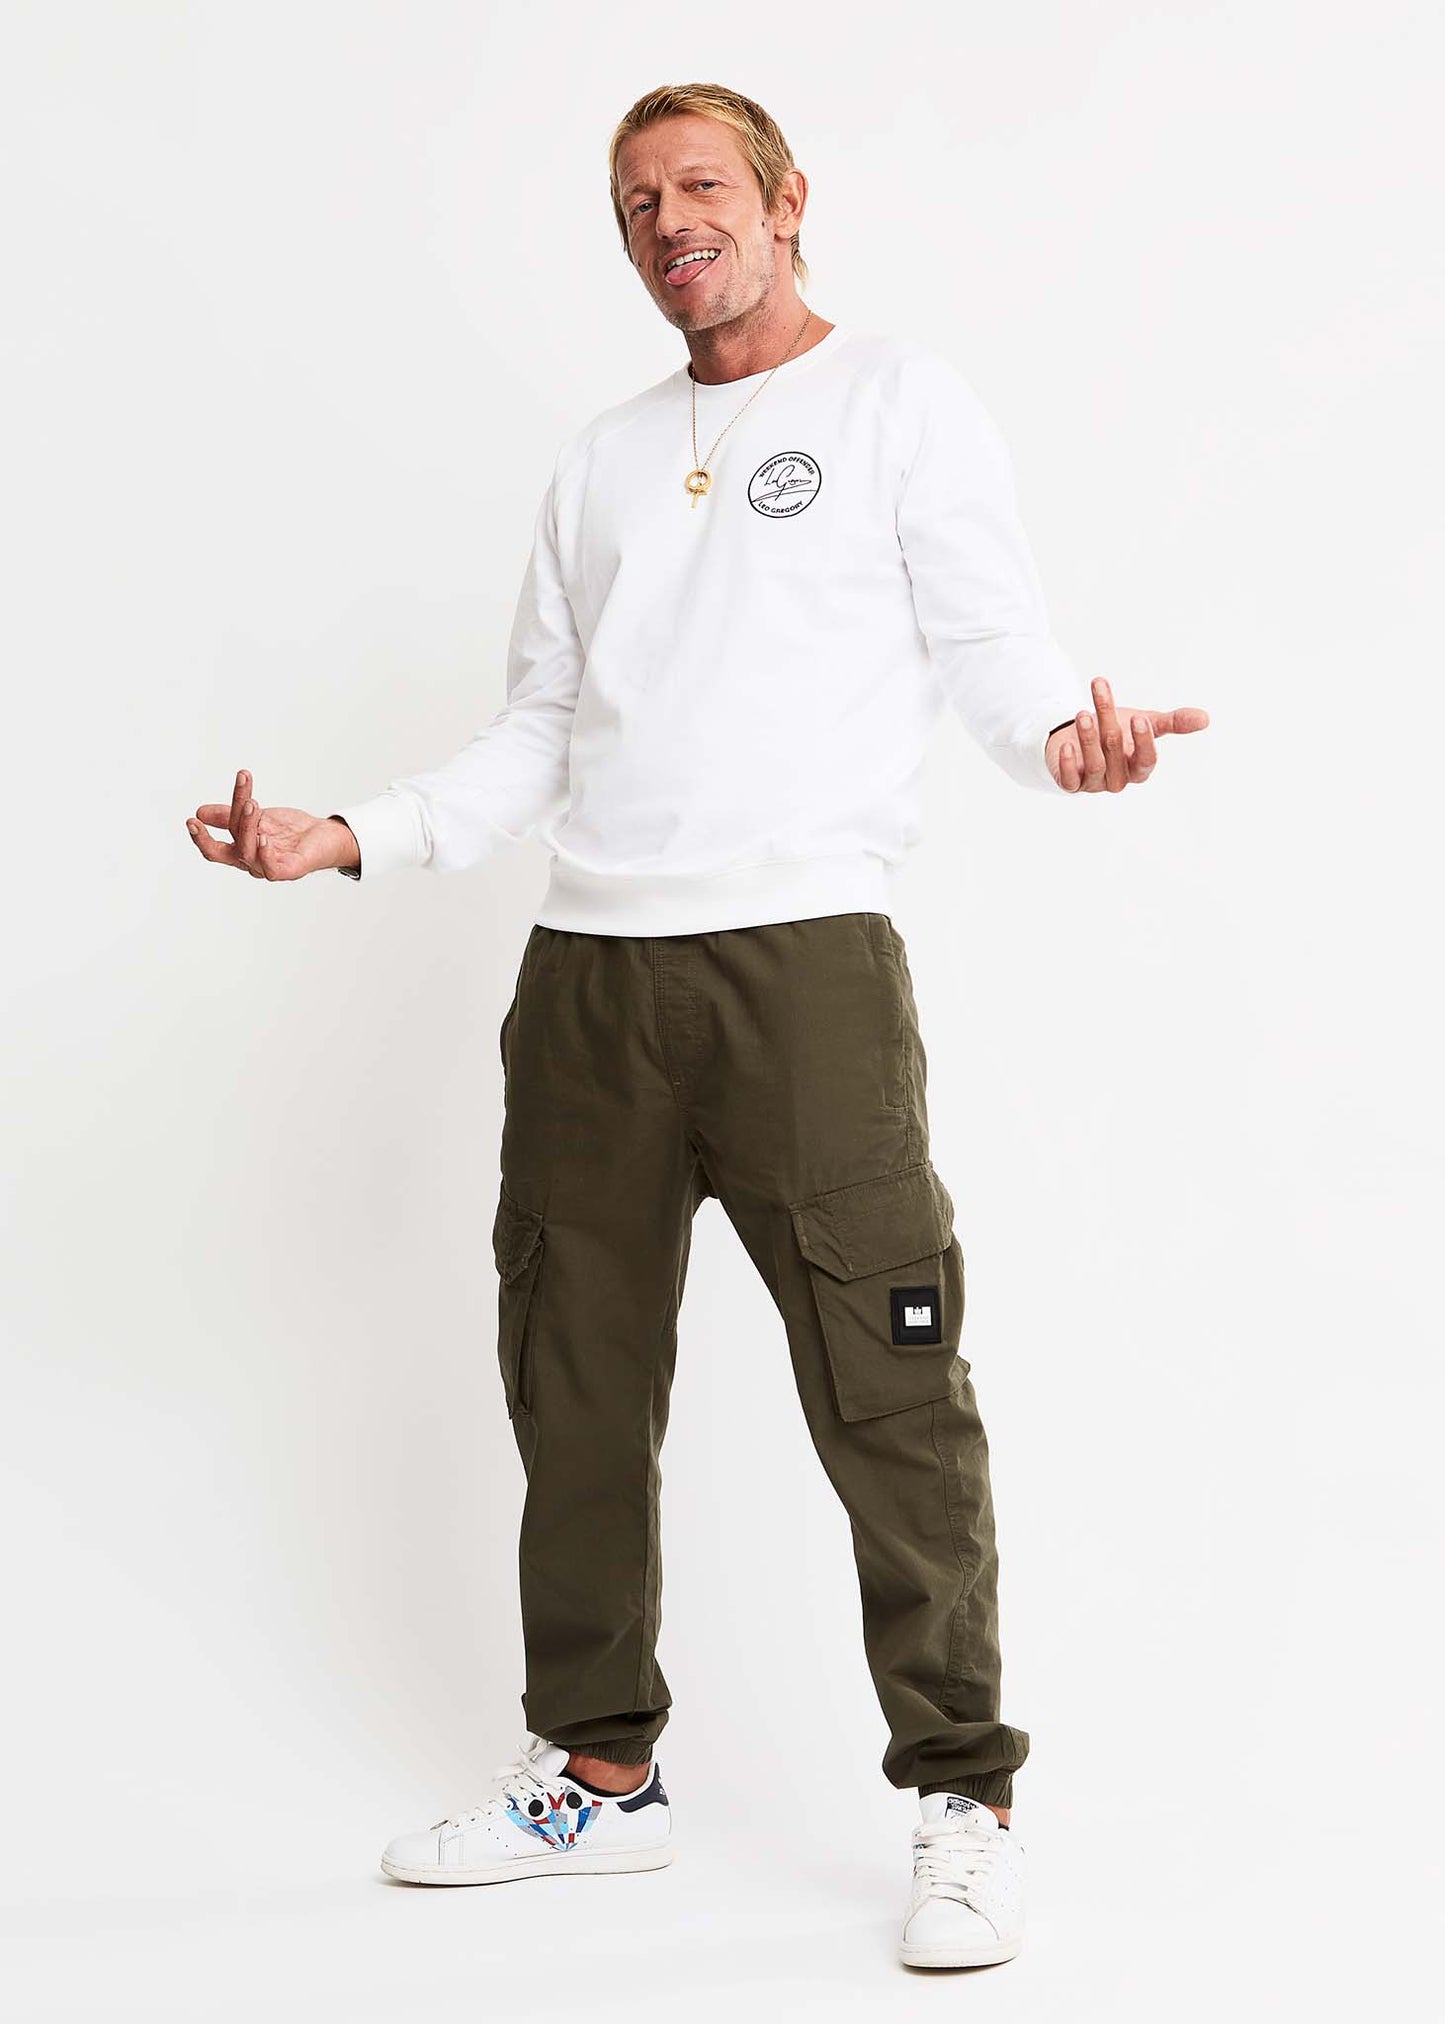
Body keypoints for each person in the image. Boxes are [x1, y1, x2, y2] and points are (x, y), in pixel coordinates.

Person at [186, 81, 1208, 1970]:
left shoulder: (897, 401)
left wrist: (1068, 739)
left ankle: (961, 1795)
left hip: (803, 969)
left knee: (887, 1386)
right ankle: (599, 1776)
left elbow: (996, 657)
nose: (669, 222)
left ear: (787, 199)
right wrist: (355, 835)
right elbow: (536, 735)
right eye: (635, 200)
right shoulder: (598, 462)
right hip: (590, 978)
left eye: (702, 185)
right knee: (572, 1382)